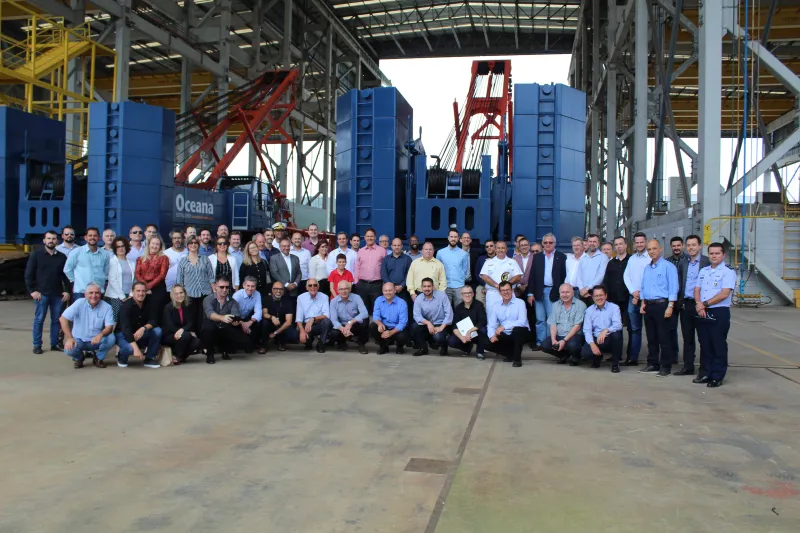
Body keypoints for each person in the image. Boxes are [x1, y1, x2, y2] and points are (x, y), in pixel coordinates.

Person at [694, 242, 736, 388]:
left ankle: (717, 376)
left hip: (719, 311)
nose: (714, 256)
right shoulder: (704, 271)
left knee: (717, 345)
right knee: (705, 344)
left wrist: (705, 304)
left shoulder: (728, 272)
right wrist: (699, 305)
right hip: (702, 310)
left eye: (717, 253)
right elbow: (697, 289)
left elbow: (724, 293)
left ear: (723, 255)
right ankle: (705, 372)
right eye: (711, 253)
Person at [639, 239, 679, 377]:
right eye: (649, 249)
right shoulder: (647, 268)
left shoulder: (668, 267)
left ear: (660, 249)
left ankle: (665, 366)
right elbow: (643, 287)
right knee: (651, 338)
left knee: (664, 338)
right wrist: (643, 303)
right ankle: (652, 363)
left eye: (654, 248)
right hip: (649, 306)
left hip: (663, 305)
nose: (652, 251)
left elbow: (674, 287)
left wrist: (670, 306)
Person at [26, 230, 70, 354]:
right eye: (49, 238)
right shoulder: (36, 255)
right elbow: (29, 274)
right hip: (41, 294)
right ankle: (37, 345)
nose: (51, 241)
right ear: (44, 240)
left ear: (57, 241)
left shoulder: (61, 257)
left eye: (54, 239)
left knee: (56, 320)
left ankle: (55, 343)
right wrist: (32, 291)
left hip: (57, 295)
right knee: (39, 319)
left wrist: (67, 291)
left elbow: (66, 276)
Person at [675, 234, 710, 377]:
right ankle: (688, 366)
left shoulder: (707, 262)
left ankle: (704, 369)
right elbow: (680, 282)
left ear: (700, 246)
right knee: (687, 338)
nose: (691, 248)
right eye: (688, 245)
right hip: (687, 304)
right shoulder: (683, 263)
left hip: (701, 305)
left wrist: (704, 304)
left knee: (703, 338)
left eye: (693, 245)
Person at [59, 283, 115, 369]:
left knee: (112, 338)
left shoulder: (107, 307)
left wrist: (100, 335)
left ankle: (98, 358)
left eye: (97, 293)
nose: (94, 295)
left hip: (95, 340)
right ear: (85, 294)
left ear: (100, 294)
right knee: (68, 350)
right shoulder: (79, 303)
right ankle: (79, 358)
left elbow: (109, 327)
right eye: (91, 293)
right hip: (79, 340)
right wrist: (69, 338)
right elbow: (63, 319)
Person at [200, 275, 250, 363]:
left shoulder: (232, 301)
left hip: (225, 326)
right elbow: (210, 314)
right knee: (208, 327)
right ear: (215, 286)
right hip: (211, 326)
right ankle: (210, 354)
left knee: (244, 341)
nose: (224, 289)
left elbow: (235, 315)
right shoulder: (208, 299)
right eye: (221, 287)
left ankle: (225, 350)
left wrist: (236, 322)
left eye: (227, 287)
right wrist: (222, 318)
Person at [530, 233, 568, 349]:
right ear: (542, 244)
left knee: (551, 320)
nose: (548, 244)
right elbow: (532, 276)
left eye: (550, 242)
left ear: (554, 244)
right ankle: (540, 342)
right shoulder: (537, 257)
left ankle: (549, 342)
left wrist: (563, 293)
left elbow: (564, 275)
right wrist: (530, 293)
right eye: (545, 242)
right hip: (539, 291)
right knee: (540, 319)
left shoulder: (561, 257)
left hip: (554, 292)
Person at [115, 281, 162, 369]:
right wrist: (136, 349)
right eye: (138, 291)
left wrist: (143, 328)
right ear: (132, 292)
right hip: (123, 334)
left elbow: (154, 320)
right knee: (130, 348)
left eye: (143, 291)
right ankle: (122, 357)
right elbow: (126, 329)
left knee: (157, 331)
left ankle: (149, 358)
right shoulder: (125, 306)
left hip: (140, 333)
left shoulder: (150, 302)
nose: (141, 293)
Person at [580, 285, 624, 372]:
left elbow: (618, 325)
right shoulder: (589, 310)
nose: (599, 298)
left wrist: (606, 330)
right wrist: (592, 344)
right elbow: (587, 330)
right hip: (597, 339)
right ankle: (598, 357)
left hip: (609, 337)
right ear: (592, 297)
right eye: (596, 296)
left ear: (606, 296)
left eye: (601, 295)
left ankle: (615, 364)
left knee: (617, 335)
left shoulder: (614, 308)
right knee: (585, 353)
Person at [486, 281, 529, 368]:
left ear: (512, 290)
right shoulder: (496, 306)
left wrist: (504, 326)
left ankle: (517, 359)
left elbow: (522, 321)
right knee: (485, 342)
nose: (506, 292)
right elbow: (491, 324)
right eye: (503, 290)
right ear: (499, 292)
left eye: (508, 290)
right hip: (505, 333)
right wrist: (491, 336)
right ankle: (510, 354)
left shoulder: (520, 303)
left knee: (517, 330)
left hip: (521, 332)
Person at [176, 236, 215, 331]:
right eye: (191, 243)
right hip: (189, 294)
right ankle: (194, 341)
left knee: (204, 319)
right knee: (191, 318)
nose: (193, 245)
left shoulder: (205, 259)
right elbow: (179, 280)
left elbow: (211, 277)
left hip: (205, 293)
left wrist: (214, 292)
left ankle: (203, 341)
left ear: (198, 245)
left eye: (195, 243)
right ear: (187, 245)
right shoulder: (183, 261)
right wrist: (180, 295)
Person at [622, 232, 649, 365]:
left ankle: (653, 359)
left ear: (646, 242)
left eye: (641, 242)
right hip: (633, 299)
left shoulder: (650, 258)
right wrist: (633, 292)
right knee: (634, 329)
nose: (639, 244)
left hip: (648, 300)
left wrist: (641, 294)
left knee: (650, 330)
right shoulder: (632, 259)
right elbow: (626, 277)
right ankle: (633, 358)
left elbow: (650, 279)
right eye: (637, 242)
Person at [541, 283, 586, 364]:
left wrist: (564, 341)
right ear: (559, 293)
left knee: (573, 345)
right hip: (559, 335)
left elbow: (577, 326)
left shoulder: (581, 305)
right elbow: (553, 324)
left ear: (572, 292)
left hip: (575, 335)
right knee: (544, 345)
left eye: (567, 292)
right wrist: (553, 340)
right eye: (563, 292)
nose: (565, 295)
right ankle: (563, 355)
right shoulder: (555, 305)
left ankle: (576, 357)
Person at [63, 227, 110, 301]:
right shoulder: (77, 252)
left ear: (98, 238)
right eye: (90, 235)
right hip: (81, 292)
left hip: (98, 291)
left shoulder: (105, 254)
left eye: (95, 236)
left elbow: (106, 271)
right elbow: (67, 269)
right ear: (85, 238)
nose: (92, 238)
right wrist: (75, 281)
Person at [603, 236, 630, 359]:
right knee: (615, 328)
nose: (619, 246)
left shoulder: (631, 261)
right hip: (613, 301)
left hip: (628, 299)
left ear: (626, 245)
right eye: (617, 244)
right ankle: (616, 355)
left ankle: (631, 356)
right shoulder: (611, 263)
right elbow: (606, 281)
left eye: (621, 244)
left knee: (631, 328)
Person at [412, 278, 454, 356]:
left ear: (433, 287)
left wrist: (441, 327)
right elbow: (417, 315)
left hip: (441, 324)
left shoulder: (442, 295)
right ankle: (423, 348)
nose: (427, 288)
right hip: (427, 324)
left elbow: (449, 313)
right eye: (424, 286)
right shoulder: (419, 299)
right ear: (421, 288)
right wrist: (428, 323)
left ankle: (444, 346)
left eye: (429, 286)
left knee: (438, 337)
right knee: (414, 327)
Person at [161, 284, 202, 364]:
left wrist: (183, 330)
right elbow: (170, 326)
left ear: (185, 293)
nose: (179, 295)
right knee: (186, 335)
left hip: (183, 333)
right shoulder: (168, 308)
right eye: (176, 294)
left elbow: (190, 322)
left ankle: (179, 357)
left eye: (181, 292)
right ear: (172, 295)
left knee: (197, 342)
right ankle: (176, 355)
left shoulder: (187, 305)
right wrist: (184, 332)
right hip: (170, 335)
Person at [448, 285, 487, 360]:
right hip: (464, 335)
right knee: (451, 341)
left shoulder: (479, 305)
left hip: (476, 333)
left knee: (483, 330)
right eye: (465, 293)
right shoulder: (458, 308)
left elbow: (482, 321)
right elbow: (454, 326)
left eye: (469, 293)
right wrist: (462, 338)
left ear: (473, 294)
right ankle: (467, 348)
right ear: (462, 295)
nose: (467, 295)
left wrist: (470, 331)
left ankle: (480, 352)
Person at [480, 241, 521, 311]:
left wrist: (505, 286)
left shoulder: (513, 262)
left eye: (503, 248)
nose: (500, 250)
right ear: (495, 249)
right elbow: (484, 276)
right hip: (493, 293)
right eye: (498, 248)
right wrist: (496, 285)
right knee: (492, 317)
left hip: (508, 293)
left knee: (509, 316)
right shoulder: (488, 262)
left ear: (506, 249)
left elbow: (518, 277)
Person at [135, 235, 169, 319]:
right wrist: (145, 286)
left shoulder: (164, 258)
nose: (155, 246)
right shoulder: (140, 258)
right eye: (153, 243)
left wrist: (149, 286)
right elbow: (137, 274)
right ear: (149, 244)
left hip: (158, 288)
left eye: (157, 244)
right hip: (142, 288)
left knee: (155, 311)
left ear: (160, 246)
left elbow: (162, 275)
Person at [329, 280, 369, 353]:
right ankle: (342, 342)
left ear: (350, 289)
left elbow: (365, 313)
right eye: (341, 289)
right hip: (342, 325)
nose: (344, 291)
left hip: (354, 324)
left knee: (365, 321)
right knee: (333, 333)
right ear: (338, 290)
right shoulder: (333, 301)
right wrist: (342, 329)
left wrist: (350, 322)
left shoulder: (357, 297)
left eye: (346, 288)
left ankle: (361, 344)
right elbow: (334, 319)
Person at [370, 282, 409, 354]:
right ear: (382, 291)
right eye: (385, 290)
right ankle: (383, 346)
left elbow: (403, 322)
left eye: (390, 290)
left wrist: (391, 332)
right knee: (373, 326)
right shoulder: (378, 300)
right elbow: (376, 315)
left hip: (396, 328)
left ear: (395, 290)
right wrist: (379, 324)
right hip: (384, 326)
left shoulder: (402, 303)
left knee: (403, 335)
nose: (388, 293)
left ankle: (399, 346)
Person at [295, 278, 332, 353]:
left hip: (319, 323)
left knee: (327, 321)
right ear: (306, 287)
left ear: (318, 287)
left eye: (315, 285)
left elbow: (327, 315)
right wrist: (302, 331)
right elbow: (298, 317)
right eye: (310, 285)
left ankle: (322, 343)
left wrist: (313, 319)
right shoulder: (301, 298)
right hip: (306, 325)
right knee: (298, 333)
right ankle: (309, 342)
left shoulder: (324, 297)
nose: (313, 287)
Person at [105, 236, 136, 323]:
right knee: (114, 321)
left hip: (129, 296)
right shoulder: (112, 262)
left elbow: (135, 280)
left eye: (122, 246)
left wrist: (130, 295)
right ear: (115, 249)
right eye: (118, 247)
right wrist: (122, 297)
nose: (121, 248)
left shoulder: (132, 263)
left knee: (127, 320)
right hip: (115, 296)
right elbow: (112, 280)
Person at [354, 228, 385, 313]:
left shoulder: (382, 251)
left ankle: (375, 326)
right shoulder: (360, 251)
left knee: (377, 309)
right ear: (364, 237)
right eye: (367, 236)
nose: (369, 238)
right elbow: (357, 267)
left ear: (375, 237)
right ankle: (363, 326)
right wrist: (356, 282)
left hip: (376, 285)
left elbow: (385, 267)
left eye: (371, 236)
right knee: (363, 310)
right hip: (362, 285)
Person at [437, 229, 470, 309]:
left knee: (460, 310)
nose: (453, 239)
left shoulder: (464, 254)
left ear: (458, 238)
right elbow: (437, 270)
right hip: (445, 286)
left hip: (459, 287)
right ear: (448, 238)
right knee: (445, 310)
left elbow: (465, 270)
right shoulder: (440, 252)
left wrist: (461, 279)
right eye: (451, 236)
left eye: (455, 237)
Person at [513, 237, 536, 347]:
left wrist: (528, 287)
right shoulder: (514, 259)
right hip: (518, 291)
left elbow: (537, 275)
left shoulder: (535, 257)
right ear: (518, 246)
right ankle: (521, 339)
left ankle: (532, 340)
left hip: (532, 290)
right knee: (520, 315)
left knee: (532, 315)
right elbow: (512, 275)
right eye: (522, 245)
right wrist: (518, 285)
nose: (524, 247)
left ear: (529, 246)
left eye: (526, 245)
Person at [262, 281, 299, 351]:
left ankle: (280, 343)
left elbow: (288, 322)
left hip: (282, 325)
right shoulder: (267, 299)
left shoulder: (288, 301)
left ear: (284, 291)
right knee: (264, 323)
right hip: (270, 323)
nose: (278, 291)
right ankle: (264, 345)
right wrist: (272, 317)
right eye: (276, 289)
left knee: (294, 336)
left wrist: (275, 333)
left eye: (281, 289)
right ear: (272, 290)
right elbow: (264, 314)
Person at [381, 238, 413, 317]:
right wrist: (392, 287)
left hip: (403, 290)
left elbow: (410, 275)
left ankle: (404, 328)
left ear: (402, 246)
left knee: (404, 312)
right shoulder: (386, 259)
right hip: (389, 292)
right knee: (390, 312)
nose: (397, 247)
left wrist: (402, 286)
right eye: (395, 245)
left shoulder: (408, 259)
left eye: (398, 245)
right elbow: (384, 275)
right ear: (391, 246)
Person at [232, 276, 263, 352]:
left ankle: (253, 344)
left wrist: (250, 322)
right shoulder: (237, 295)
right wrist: (243, 324)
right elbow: (233, 312)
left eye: (253, 286)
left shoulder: (257, 294)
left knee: (259, 323)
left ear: (255, 287)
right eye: (248, 286)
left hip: (248, 318)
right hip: (237, 318)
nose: (250, 288)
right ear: (243, 285)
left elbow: (258, 311)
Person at [577, 234, 609, 306]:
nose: (592, 243)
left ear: (598, 243)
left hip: (596, 293)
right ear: (587, 243)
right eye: (590, 241)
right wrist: (581, 289)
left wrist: (587, 288)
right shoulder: (583, 257)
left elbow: (601, 275)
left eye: (594, 241)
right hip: (582, 292)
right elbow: (578, 275)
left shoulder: (603, 257)